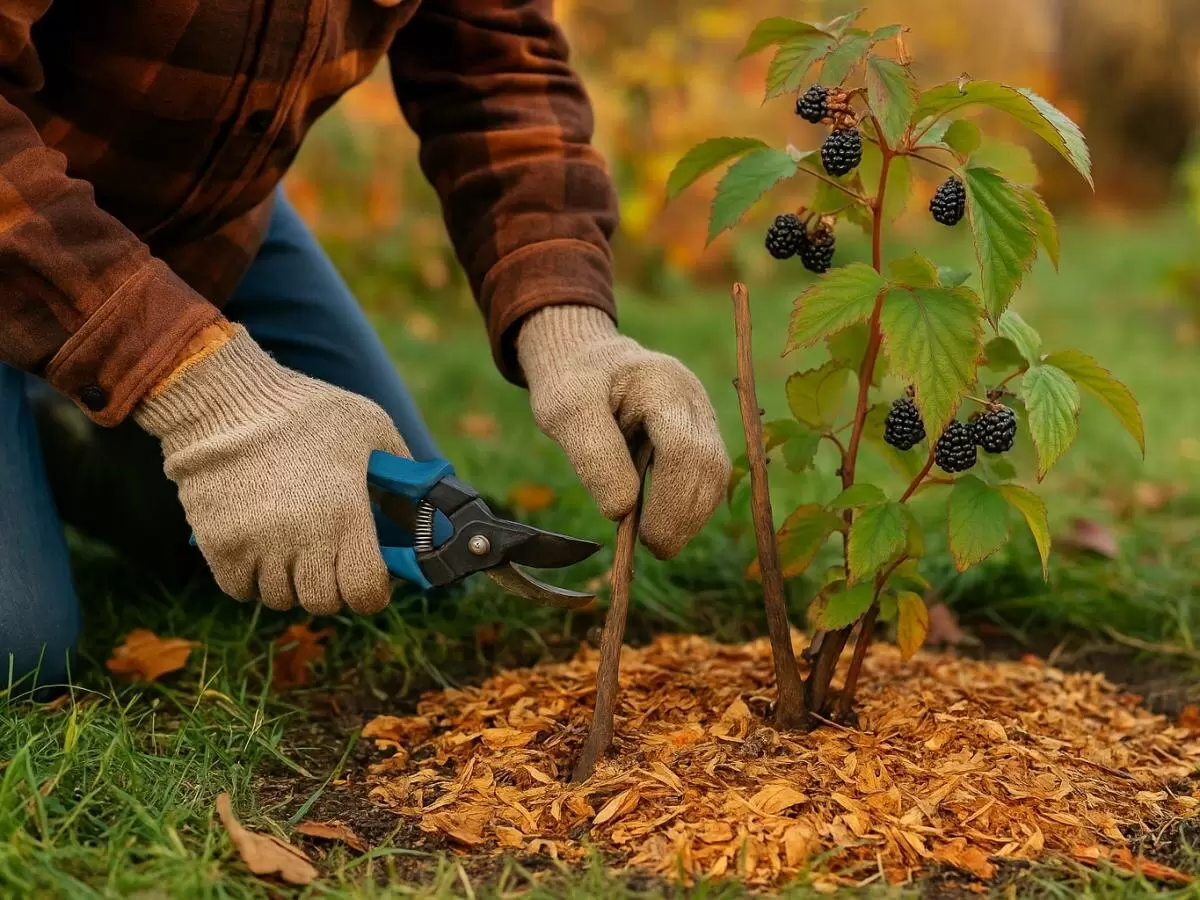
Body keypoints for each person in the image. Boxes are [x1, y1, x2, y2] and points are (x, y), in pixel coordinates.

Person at [0, 1, 731, 692]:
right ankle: (47, 384)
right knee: (20, 648)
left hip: (206, 223)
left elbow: (500, 74)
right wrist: (203, 390)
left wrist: (570, 327)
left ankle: (56, 429)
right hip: (23, 208)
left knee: (405, 550)